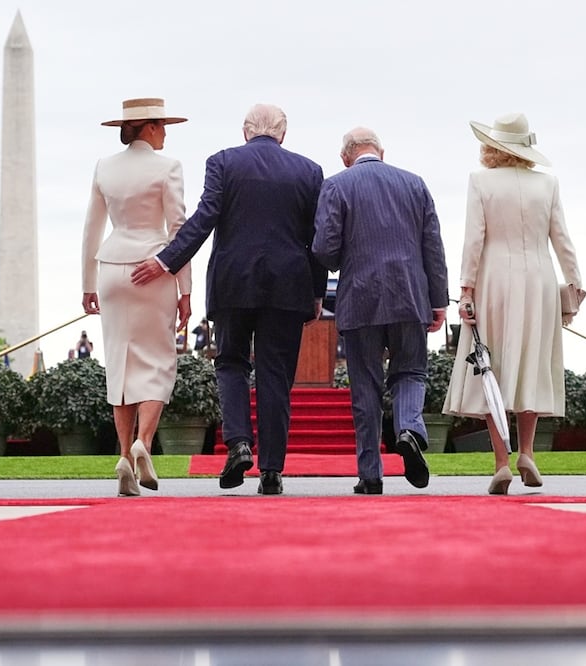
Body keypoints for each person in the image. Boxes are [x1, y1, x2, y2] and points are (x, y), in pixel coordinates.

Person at [142, 103, 326, 495]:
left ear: (245, 132)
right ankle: (272, 471)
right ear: (283, 133)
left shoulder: (223, 162)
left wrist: (167, 261)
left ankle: (239, 441)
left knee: (231, 364)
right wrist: (315, 291)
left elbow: (205, 218)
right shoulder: (309, 171)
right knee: (276, 377)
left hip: (233, 282)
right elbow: (317, 239)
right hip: (287, 287)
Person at [443, 113, 583, 495]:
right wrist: (574, 288)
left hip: (494, 282)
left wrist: (466, 290)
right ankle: (527, 453)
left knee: (493, 367)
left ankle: (501, 461)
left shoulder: (481, 182)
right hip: (539, 280)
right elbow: (563, 240)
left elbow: (474, 240)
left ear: (492, 147)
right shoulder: (547, 184)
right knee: (532, 364)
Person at [313, 127, 449, 495]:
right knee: (411, 371)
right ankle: (408, 427)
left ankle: (370, 474)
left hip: (360, 297)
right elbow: (432, 248)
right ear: (382, 152)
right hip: (409, 295)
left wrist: (349, 257)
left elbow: (324, 249)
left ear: (346, 156)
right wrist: (438, 301)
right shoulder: (414, 184)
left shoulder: (337, 185)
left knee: (365, 387)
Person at [82, 97, 192, 496]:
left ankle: (125, 457)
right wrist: (185, 289)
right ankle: (144, 441)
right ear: (148, 127)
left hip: (110, 268)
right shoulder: (168, 168)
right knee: (158, 362)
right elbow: (179, 230)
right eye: (162, 125)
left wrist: (87, 284)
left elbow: (91, 228)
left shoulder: (104, 167)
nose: (165, 132)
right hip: (154, 268)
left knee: (120, 365)